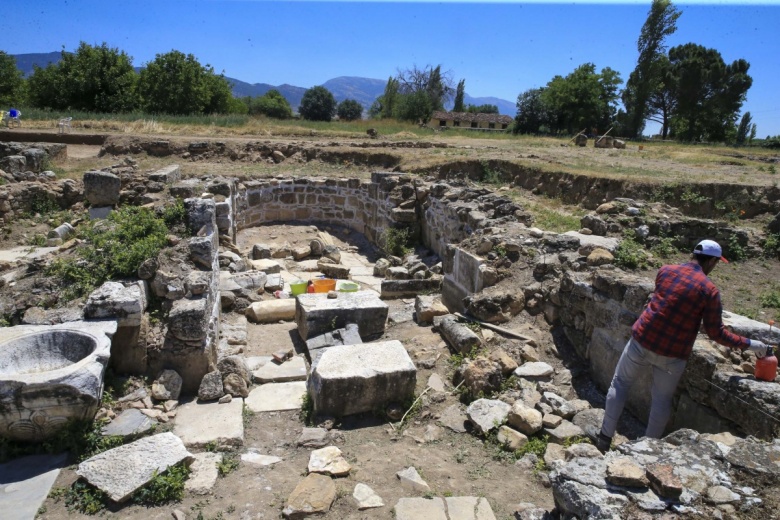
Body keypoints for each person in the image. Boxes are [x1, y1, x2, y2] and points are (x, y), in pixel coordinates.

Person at [588, 239, 769, 452]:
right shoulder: (709, 291)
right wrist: (752, 344)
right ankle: (647, 451)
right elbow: (716, 333)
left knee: (620, 384)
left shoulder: (666, 271)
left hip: (643, 340)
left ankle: (604, 438)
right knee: (661, 400)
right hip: (673, 354)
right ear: (711, 262)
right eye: (716, 263)